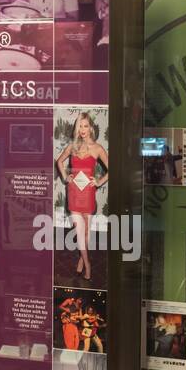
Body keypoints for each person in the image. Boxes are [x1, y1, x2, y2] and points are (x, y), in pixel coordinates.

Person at [55, 112, 108, 282]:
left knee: (86, 233)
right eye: (80, 126)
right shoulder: (72, 147)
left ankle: (80, 259)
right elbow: (59, 161)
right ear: (77, 129)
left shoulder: (98, 148)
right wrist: (65, 177)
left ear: (90, 128)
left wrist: (99, 182)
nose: (83, 129)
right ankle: (88, 263)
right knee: (79, 231)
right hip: (74, 194)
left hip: (88, 194)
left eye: (86, 126)